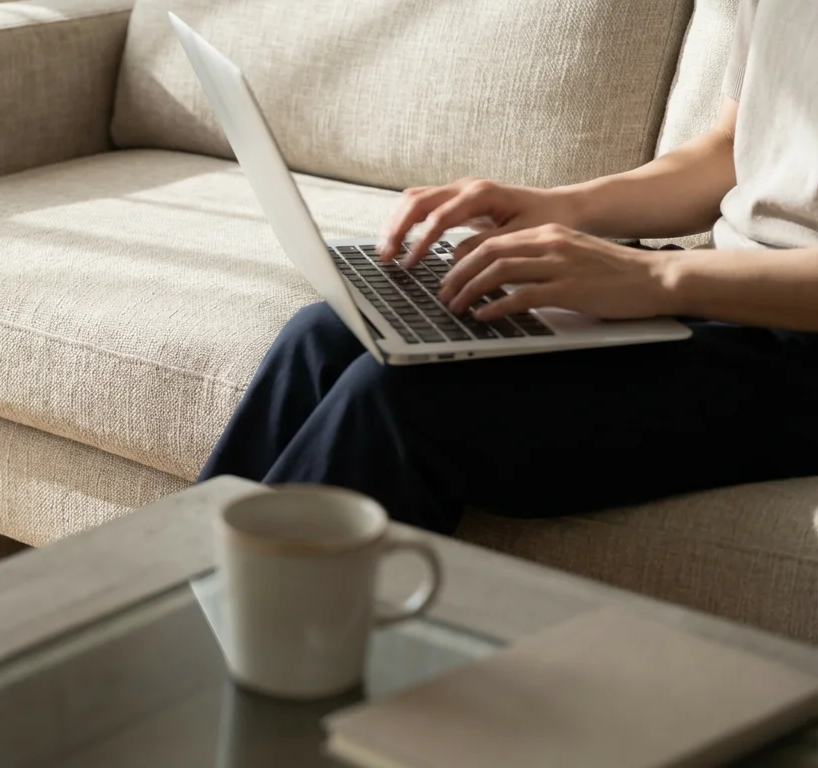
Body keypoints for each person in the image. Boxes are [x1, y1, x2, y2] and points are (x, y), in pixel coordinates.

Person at [197, 0, 818, 534]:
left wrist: (652, 279)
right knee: (326, 334)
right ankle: (161, 605)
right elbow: (729, 151)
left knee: (396, 401)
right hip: (724, 297)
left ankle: (241, 661)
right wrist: (560, 208)